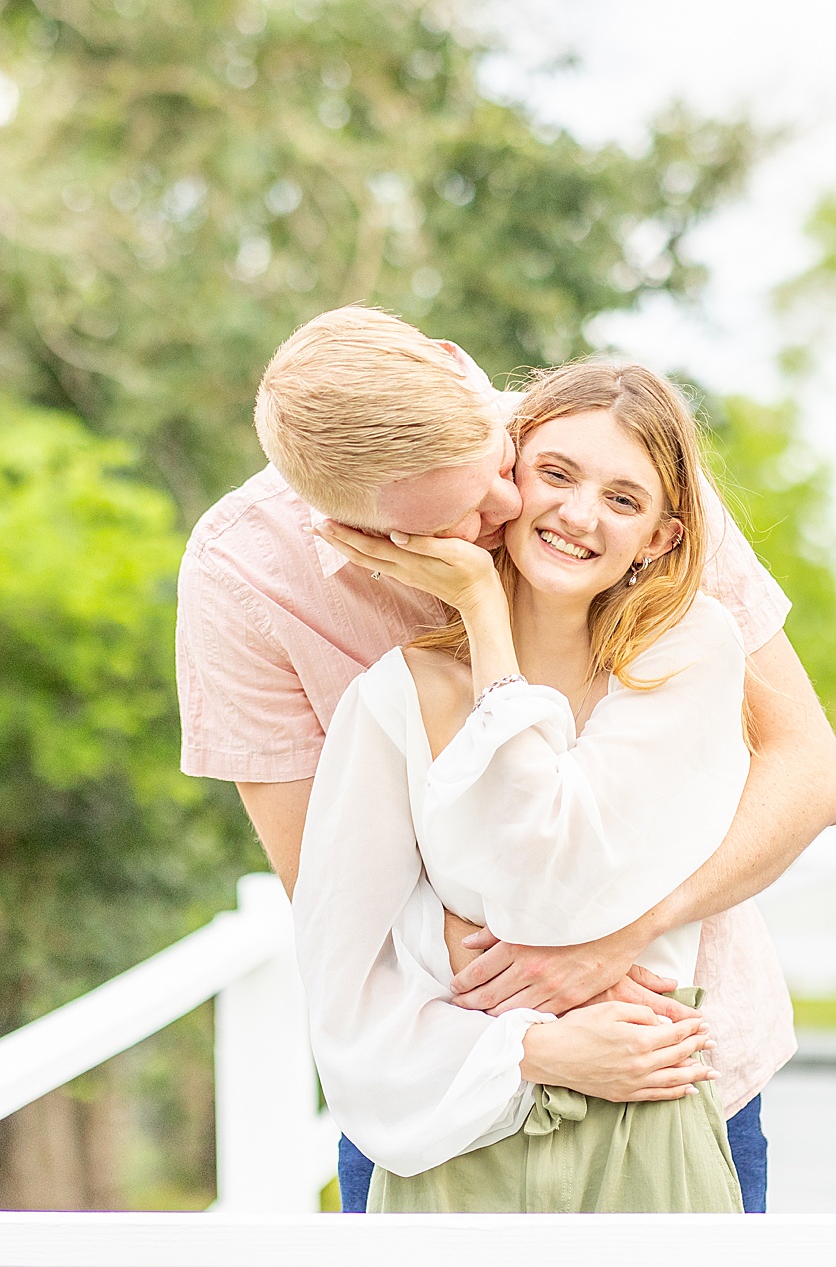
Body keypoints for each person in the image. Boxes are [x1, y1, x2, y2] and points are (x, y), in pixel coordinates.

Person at [175, 306, 836, 1211]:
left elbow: (808, 767)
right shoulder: (246, 580)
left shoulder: (598, 454)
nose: (510, 514)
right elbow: (337, 899)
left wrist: (618, 936)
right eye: (455, 521)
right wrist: (533, 1026)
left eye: (499, 469)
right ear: (353, 529)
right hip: (444, 1097)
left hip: (671, 1065)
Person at [296, 361, 760, 1210]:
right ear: (506, 478)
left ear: (659, 537)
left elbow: (552, 878)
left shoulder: (689, 656)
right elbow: (344, 972)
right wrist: (529, 1052)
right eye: (556, 474)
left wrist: (486, 621)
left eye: (625, 500)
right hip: (454, 1140)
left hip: (640, 1127)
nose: (580, 514)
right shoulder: (396, 695)